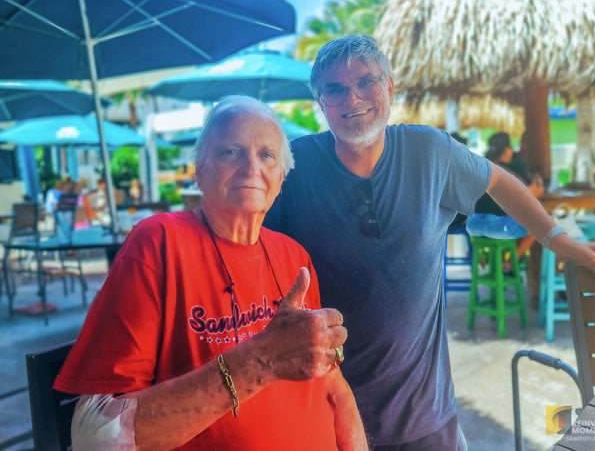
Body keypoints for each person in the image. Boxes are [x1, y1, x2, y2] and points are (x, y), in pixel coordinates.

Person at [264, 35, 595, 450]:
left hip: (425, 416)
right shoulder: (294, 166)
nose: (353, 97)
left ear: (389, 87)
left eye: (366, 81)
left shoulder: (429, 151)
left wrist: (558, 239)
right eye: (335, 89)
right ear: (321, 102)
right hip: (324, 414)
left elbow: (498, 180)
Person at [54, 96, 367, 450]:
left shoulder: (293, 255)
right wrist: (259, 360)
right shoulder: (159, 243)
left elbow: (334, 385)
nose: (252, 167)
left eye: (267, 154)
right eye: (230, 152)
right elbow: (94, 437)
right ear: (199, 171)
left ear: (281, 177)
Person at [467, 131, 544, 257]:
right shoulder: (510, 171)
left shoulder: (481, 167)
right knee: (537, 225)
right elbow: (536, 192)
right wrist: (538, 181)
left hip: (475, 227)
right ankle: (508, 262)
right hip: (497, 227)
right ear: (507, 150)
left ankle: (495, 260)